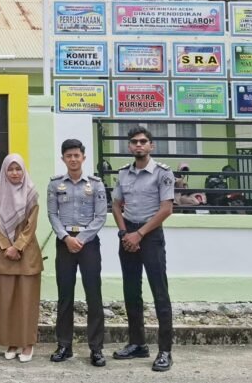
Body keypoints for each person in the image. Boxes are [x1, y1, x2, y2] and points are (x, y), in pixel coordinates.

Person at [111, 126, 175, 372]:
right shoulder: (124, 174)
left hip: (150, 237)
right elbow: (116, 205)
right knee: (131, 292)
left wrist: (139, 234)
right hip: (128, 236)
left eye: (143, 141)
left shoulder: (162, 173)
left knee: (160, 293)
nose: (139, 145)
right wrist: (125, 232)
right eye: (134, 142)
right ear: (129, 146)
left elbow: (166, 209)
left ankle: (165, 351)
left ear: (151, 146)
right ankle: (137, 343)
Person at [46, 139, 107, 367]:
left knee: (94, 296)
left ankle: (96, 349)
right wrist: (66, 238)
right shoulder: (54, 184)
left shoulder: (96, 184)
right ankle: (64, 345)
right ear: (63, 159)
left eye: (76, 155)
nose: (73, 159)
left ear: (83, 157)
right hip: (64, 243)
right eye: (68, 156)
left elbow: (100, 216)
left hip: (88, 243)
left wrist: (80, 239)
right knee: (65, 296)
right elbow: (52, 214)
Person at [0, 154, 42, 363]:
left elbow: (32, 224)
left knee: (27, 301)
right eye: (10, 169)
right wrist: (6, 246)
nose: (14, 173)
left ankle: (28, 343)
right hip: (3, 253)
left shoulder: (31, 191)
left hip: (26, 253)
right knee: (6, 300)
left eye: (18, 169)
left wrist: (17, 246)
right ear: (4, 171)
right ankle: (12, 341)